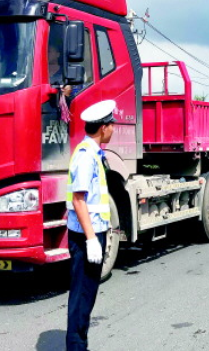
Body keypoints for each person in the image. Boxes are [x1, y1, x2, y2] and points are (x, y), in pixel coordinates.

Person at [66, 99, 116, 351]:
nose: (113, 128)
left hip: (91, 233)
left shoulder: (94, 154)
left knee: (87, 294)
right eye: (112, 124)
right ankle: (76, 347)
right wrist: (91, 239)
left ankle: (79, 345)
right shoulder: (86, 156)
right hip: (86, 235)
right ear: (103, 127)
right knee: (82, 296)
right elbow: (78, 200)